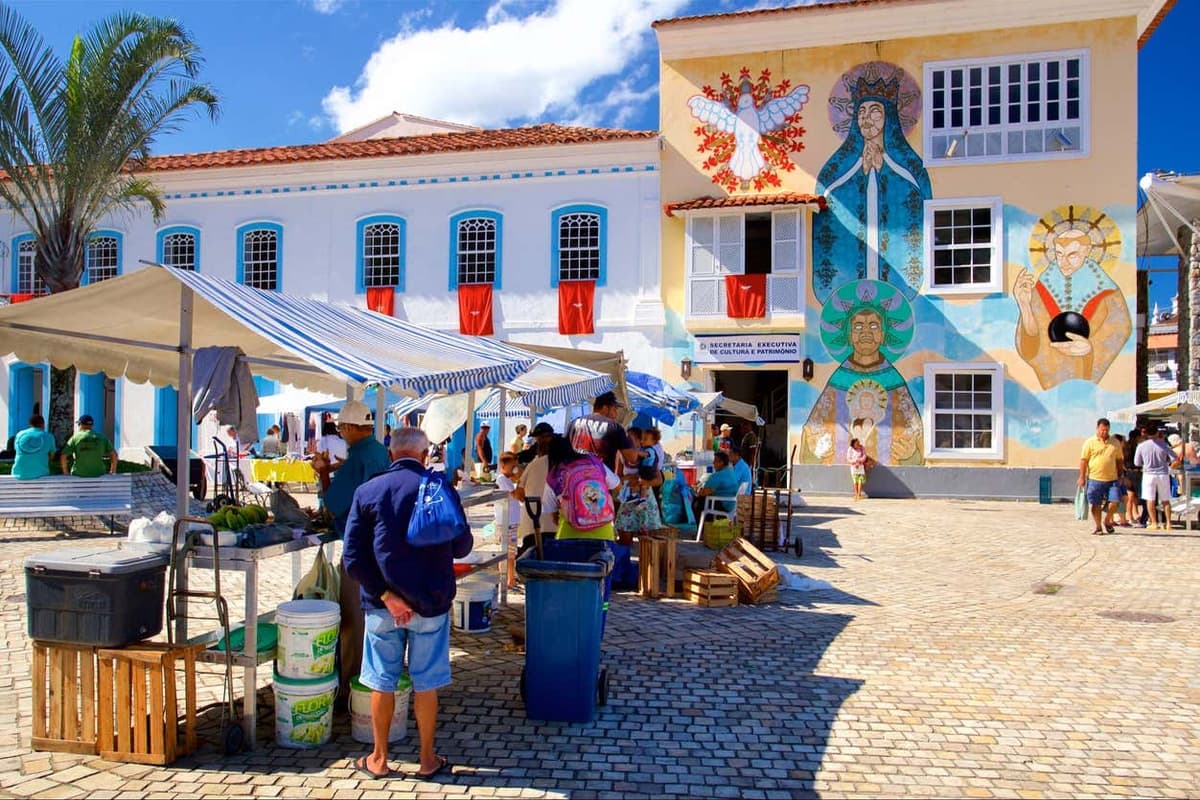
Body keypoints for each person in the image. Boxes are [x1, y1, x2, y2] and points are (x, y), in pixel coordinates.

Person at [343, 427, 471, 781]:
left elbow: (352, 559)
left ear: (390, 454)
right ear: (424, 454)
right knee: (425, 682)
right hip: (431, 602)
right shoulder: (440, 488)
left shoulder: (368, 491)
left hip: (383, 605)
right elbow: (462, 547)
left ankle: (379, 759)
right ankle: (427, 758)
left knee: (382, 681)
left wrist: (388, 596)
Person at [812, 65, 932, 302]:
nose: (867, 119)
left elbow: (918, 194)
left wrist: (885, 165)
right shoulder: (840, 165)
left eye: (875, 111)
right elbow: (826, 194)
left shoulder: (908, 165)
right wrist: (860, 169)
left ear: (889, 116)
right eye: (862, 112)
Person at [311, 401, 391, 708]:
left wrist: (322, 473)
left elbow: (333, 503)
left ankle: (354, 689)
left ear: (350, 428)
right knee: (378, 619)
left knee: (353, 620)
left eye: (342, 428)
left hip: (359, 547)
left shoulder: (358, 456)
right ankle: (377, 678)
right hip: (383, 547)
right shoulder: (379, 452)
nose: (341, 433)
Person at [801, 281, 924, 467]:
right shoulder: (839, 379)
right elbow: (812, 431)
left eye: (873, 326)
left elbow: (915, 432)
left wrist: (911, 452)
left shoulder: (894, 381)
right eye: (858, 327)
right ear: (849, 335)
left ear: (883, 335)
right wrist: (817, 447)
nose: (866, 332)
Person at [1013, 227, 1131, 390]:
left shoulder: (1105, 288)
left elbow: (1120, 327)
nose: (1064, 263)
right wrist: (1024, 305)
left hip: (1085, 368)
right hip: (1051, 376)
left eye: (1072, 255)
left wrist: (1091, 347)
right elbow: (1032, 341)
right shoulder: (1043, 286)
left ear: (1087, 251)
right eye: (1059, 254)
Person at [513, 423, 557, 569]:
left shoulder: (535, 464)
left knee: (532, 562)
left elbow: (519, 493)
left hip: (535, 523)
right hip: (555, 525)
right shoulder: (564, 463)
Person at [566, 391, 638, 474]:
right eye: (614, 409)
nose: (616, 414)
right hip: (600, 480)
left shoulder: (574, 423)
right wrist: (630, 437)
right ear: (605, 408)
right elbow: (632, 458)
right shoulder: (615, 427)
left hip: (576, 478)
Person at [1078, 417, 1123, 535]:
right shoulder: (1090, 442)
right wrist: (1082, 477)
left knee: (1115, 501)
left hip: (1112, 479)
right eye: (1102, 430)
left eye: (1106, 430)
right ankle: (1098, 527)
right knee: (1095, 503)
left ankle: (1107, 520)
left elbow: (1119, 460)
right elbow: (1083, 460)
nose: (1104, 432)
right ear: (1097, 428)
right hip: (1095, 479)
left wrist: (1121, 474)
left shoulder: (1115, 442)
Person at [1135, 424, 1181, 531]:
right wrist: (1167, 463)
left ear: (1146, 433)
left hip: (1148, 474)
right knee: (1165, 499)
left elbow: (1137, 462)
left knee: (1150, 499)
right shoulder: (1164, 445)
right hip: (1163, 474)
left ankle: (1154, 522)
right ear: (1157, 433)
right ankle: (1169, 523)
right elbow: (1175, 458)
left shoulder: (1141, 446)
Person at [494, 452, 522, 583]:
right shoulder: (502, 480)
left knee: (511, 552)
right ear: (503, 466)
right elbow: (516, 495)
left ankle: (510, 578)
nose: (514, 470)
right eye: (512, 467)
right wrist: (520, 478)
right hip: (506, 522)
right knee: (508, 553)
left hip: (511, 521)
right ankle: (508, 579)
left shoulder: (507, 480)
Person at [694, 451, 740, 518]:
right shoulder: (731, 472)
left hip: (723, 506)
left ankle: (702, 527)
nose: (713, 463)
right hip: (731, 505)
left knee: (697, 502)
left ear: (721, 463)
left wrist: (696, 490)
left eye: (715, 461)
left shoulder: (718, 475)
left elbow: (704, 492)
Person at [12, 414, 56, 480]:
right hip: (41, 474)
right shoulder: (49, 436)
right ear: (43, 424)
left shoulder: (19, 434)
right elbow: (52, 456)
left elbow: (17, 451)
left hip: (18, 474)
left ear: (30, 424)